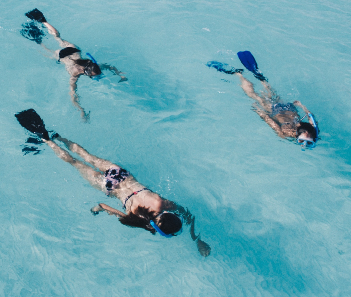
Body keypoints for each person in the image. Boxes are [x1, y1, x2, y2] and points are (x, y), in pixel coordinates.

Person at [14, 109, 211, 256]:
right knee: (74, 163)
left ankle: (58, 136)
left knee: (85, 155)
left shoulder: (162, 203)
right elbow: (102, 206)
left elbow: (187, 215)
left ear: (168, 214)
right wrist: (96, 210)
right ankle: (48, 140)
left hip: (122, 175)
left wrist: (194, 234)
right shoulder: (137, 219)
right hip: (109, 187)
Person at [23, 9, 126, 121]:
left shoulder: (92, 65)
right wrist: (81, 110)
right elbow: (73, 93)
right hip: (61, 57)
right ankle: (36, 39)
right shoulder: (75, 73)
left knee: (57, 37)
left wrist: (120, 74)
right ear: (86, 73)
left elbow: (109, 66)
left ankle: (43, 21)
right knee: (43, 48)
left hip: (73, 49)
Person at [208, 51, 319, 148]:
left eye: (307, 143)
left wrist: (301, 106)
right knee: (254, 95)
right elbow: (271, 122)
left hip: (288, 106)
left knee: (269, 90)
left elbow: (310, 116)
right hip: (274, 110)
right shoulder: (285, 134)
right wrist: (260, 112)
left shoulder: (313, 129)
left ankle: (261, 78)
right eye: (302, 141)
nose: (303, 145)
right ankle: (239, 74)